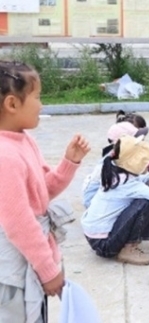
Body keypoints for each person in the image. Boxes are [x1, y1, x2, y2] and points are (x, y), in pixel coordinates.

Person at [0, 60, 91, 322]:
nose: (41, 105)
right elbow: (19, 223)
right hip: (10, 271)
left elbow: (40, 193)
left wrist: (69, 162)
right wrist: (48, 270)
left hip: (25, 259)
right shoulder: (5, 155)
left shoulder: (23, 140)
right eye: (37, 97)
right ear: (12, 104)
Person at [81, 135, 149, 265]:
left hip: (94, 238)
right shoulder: (130, 185)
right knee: (145, 202)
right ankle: (129, 249)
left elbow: (148, 177)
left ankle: (125, 242)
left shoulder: (114, 173)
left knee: (145, 196)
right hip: (104, 245)